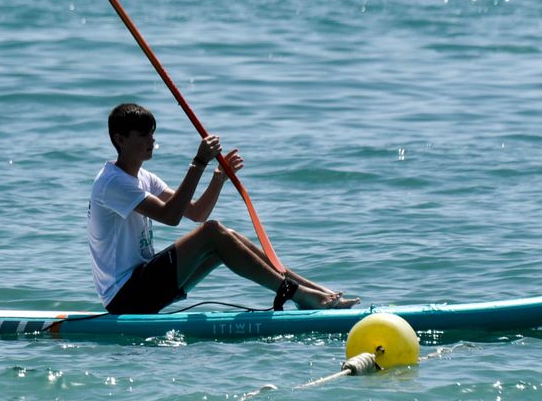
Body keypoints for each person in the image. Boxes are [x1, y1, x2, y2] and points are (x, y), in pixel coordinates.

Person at [88, 102, 359, 314]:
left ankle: (312, 292)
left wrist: (218, 178)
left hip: (144, 287)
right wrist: (198, 163)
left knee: (228, 238)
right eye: (143, 134)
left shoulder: (144, 177)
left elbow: (196, 212)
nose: (151, 139)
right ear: (120, 139)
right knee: (213, 232)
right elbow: (171, 217)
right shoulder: (112, 182)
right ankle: (299, 295)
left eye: (152, 133)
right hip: (125, 296)